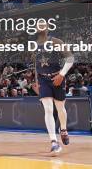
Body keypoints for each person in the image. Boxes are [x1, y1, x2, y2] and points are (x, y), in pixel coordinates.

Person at [33, 22, 74, 155]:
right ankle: (53, 142)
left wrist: (62, 74)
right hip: (43, 80)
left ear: (47, 28)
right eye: (38, 25)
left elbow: (70, 58)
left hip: (57, 77)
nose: (41, 27)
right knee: (48, 109)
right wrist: (36, 81)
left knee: (60, 108)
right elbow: (36, 65)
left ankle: (63, 129)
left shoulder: (56, 41)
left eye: (43, 25)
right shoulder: (34, 46)